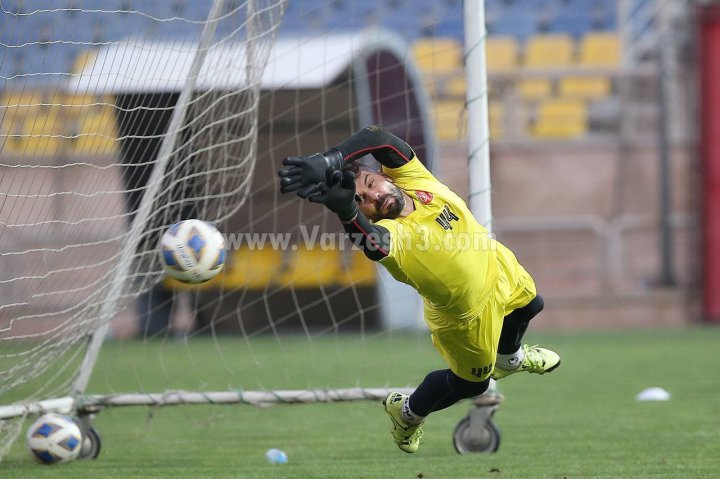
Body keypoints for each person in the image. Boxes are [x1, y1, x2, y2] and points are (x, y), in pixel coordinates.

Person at [278, 125, 560, 454]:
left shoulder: (415, 180)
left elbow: (377, 138)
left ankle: (510, 358)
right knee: (472, 384)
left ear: (385, 176)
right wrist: (347, 211)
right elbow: (373, 246)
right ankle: (408, 413)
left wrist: (330, 159)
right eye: (363, 201)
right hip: (465, 317)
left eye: (370, 184)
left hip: (496, 266)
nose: (373, 196)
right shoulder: (392, 234)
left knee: (530, 306)